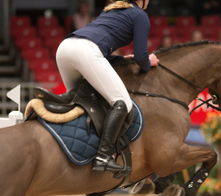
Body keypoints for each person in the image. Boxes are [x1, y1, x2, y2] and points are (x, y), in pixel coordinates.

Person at [55, 0, 159, 172]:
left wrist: (124, 59)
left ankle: (72, 147)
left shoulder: (111, 10)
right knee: (122, 103)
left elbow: (103, 50)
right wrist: (148, 63)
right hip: (86, 51)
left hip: (65, 48)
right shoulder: (140, 15)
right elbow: (142, 56)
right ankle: (103, 156)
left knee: (80, 103)